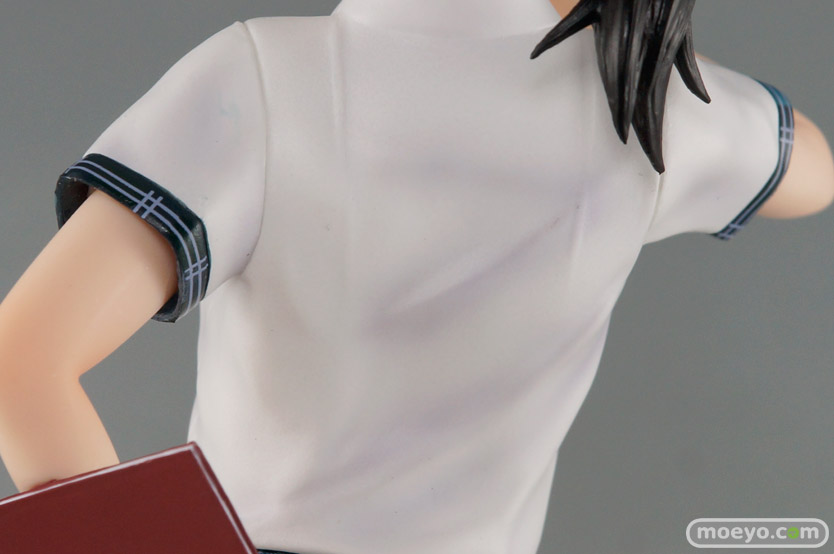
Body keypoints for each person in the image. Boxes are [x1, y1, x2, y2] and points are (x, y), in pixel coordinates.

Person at [0, 1, 832, 553]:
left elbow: (20, 362)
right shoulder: (653, 115)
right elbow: (810, 170)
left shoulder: (266, 78)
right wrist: (644, 49)